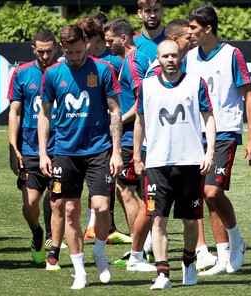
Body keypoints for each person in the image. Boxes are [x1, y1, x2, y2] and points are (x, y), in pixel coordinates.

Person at [37, 24, 122, 289]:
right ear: (63, 48)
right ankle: (80, 271)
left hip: (98, 150)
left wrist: (116, 151)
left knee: (102, 206)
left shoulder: (103, 70)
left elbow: (115, 111)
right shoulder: (52, 74)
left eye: (77, 50)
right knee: (70, 209)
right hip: (65, 152)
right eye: (69, 52)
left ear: (85, 43)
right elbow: (44, 114)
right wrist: (43, 153)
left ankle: (99, 252)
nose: (74, 56)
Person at [134, 39, 215, 290]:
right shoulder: (146, 86)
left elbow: (208, 118)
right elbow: (140, 121)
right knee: (158, 220)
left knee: (190, 221)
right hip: (157, 163)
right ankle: (163, 274)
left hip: (190, 161)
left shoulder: (195, 83)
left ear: (181, 57)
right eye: (165, 56)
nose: (170, 60)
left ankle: (188, 263)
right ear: (158, 59)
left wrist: (209, 151)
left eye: (174, 55)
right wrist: (137, 155)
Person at [185, 5, 251, 275]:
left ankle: (236, 240)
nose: (189, 32)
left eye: (192, 28)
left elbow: (249, 94)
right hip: (195, 135)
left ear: (207, 29)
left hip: (225, 132)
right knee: (209, 197)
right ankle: (223, 256)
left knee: (212, 192)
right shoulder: (189, 58)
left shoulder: (231, 55)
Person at [102, 16, 156, 272]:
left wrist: (118, 121)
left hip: (131, 137)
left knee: (126, 190)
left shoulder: (133, 62)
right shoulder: (136, 59)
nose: (107, 44)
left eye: (110, 39)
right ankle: (144, 246)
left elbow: (140, 102)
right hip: (134, 136)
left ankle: (141, 249)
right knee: (135, 192)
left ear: (124, 38)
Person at [7, 28, 58, 268]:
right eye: (41, 51)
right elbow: (15, 112)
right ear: (33, 49)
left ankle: (51, 245)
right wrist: (12, 147)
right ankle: (37, 231)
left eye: (49, 51)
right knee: (30, 204)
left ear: (56, 48)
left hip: (60, 147)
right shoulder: (22, 73)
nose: (45, 56)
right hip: (28, 149)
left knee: (56, 201)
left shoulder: (62, 72)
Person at [77, 17, 127, 242]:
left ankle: (103, 226)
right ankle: (95, 225)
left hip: (108, 131)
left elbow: (117, 100)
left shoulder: (111, 63)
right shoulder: (78, 62)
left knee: (109, 183)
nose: (105, 44)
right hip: (85, 133)